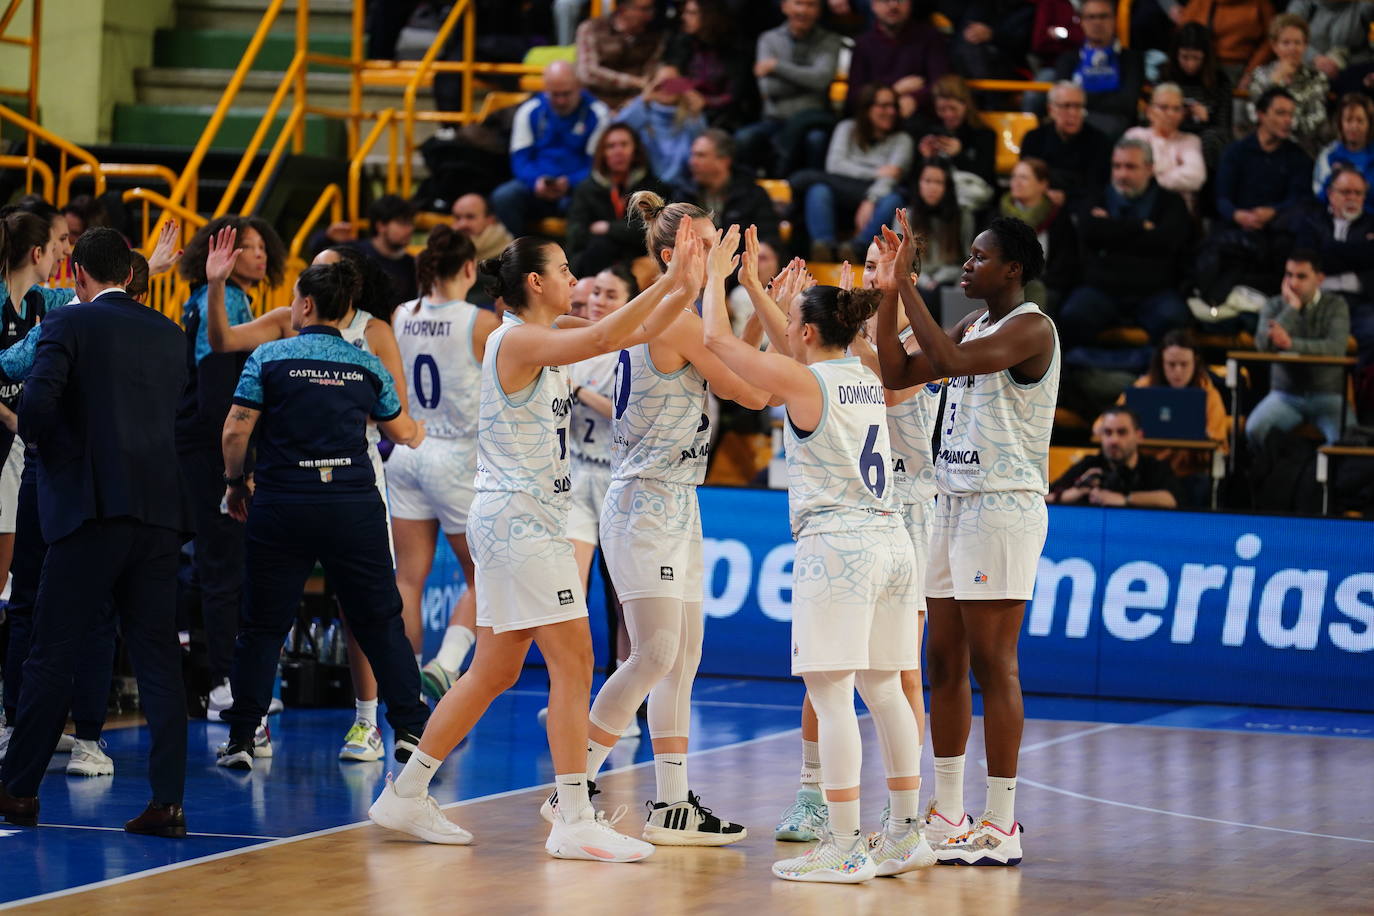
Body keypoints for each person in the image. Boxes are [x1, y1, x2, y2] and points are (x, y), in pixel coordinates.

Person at [369, 229, 702, 861]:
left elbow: (623, 331)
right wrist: (671, 279)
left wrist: (687, 284)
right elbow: (606, 335)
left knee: (495, 669)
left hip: (519, 518)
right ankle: (574, 815)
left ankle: (406, 792)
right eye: (567, 270)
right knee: (575, 659)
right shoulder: (518, 338)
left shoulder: (537, 333)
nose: (577, 281)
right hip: (522, 522)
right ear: (535, 283)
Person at [702, 232, 934, 883]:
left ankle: (844, 842)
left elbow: (721, 347)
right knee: (884, 690)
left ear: (804, 332)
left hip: (839, 548)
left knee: (831, 697)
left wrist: (719, 281)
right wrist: (762, 292)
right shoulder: (866, 372)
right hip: (892, 540)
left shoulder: (807, 380)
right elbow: (798, 356)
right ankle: (906, 834)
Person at [570, 193, 768, 845]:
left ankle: (675, 804)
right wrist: (736, 294)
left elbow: (744, 371)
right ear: (670, 252)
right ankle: (572, 789)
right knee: (654, 652)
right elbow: (748, 390)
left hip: (675, 497)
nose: (719, 252)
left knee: (681, 659)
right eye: (707, 244)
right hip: (645, 499)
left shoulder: (680, 314)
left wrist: (758, 306)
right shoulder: (675, 317)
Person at [875, 211, 1060, 866]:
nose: (968, 265)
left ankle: (1002, 823)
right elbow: (897, 372)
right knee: (943, 663)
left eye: (980, 258)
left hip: (1002, 506)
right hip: (951, 502)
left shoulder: (1031, 326)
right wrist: (888, 292)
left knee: (992, 663)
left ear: (1012, 268)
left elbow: (948, 361)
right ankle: (950, 813)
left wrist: (908, 284)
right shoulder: (974, 323)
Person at [0, 228, 194, 837]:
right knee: (159, 659)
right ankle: (168, 804)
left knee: (51, 650)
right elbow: (183, 417)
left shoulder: (68, 324)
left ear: (77, 274)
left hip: (88, 511)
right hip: (161, 513)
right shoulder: (169, 333)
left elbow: (35, 410)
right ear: (132, 276)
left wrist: (65, 461)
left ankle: (18, 790)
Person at [201, 238, 417, 761]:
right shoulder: (365, 362)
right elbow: (403, 428)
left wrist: (235, 484)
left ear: (304, 305)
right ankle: (411, 730)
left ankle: (242, 737)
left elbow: (235, 430)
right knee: (379, 618)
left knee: (262, 625)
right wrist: (416, 431)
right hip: (352, 502)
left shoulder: (271, 355)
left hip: (283, 500)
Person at [173, 215, 286, 725]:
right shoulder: (224, 302)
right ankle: (223, 682)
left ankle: (221, 678)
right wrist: (234, 468)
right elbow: (217, 389)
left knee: (217, 567)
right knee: (222, 566)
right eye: (250, 247)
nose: (260, 255)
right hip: (210, 448)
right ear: (224, 254)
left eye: (264, 247)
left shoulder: (219, 300)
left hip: (201, 446)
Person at [389, 227, 501, 703]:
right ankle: (448, 663)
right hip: (458, 457)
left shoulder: (399, 314)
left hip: (407, 449)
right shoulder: (478, 322)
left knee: (407, 581)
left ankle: (407, 686)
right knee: (487, 575)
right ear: (471, 269)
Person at [565, 266, 636, 716]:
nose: (598, 302)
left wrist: (580, 393)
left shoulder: (632, 351)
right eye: (595, 293)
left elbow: (627, 415)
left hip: (617, 482)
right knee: (569, 590)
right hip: (574, 479)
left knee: (622, 597)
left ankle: (622, 700)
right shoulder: (573, 346)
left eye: (611, 295)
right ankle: (572, 696)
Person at [1059, 137, 1194, 347]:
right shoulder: (1097, 197)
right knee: (1073, 315)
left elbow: (1165, 242)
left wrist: (1110, 230)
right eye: (1117, 166)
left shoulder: (1171, 203)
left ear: (1149, 169)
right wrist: (1140, 227)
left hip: (1154, 292)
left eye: (1131, 167)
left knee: (1174, 320)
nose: (1122, 174)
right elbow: (1088, 232)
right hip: (1100, 290)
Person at [1204, 87, 1311, 301]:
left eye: (1291, 114)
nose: (1288, 120)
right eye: (1281, 113)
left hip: (1277, 232)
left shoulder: (1297, 157)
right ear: (1261, 115)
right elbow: (1222, 197)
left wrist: (1273, 212)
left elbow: (1299, 198)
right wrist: (1237, 215)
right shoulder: (1236, 152)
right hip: (1237, 226)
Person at [1101, 329, 1229, 506]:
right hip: (1147, 473)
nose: (1178, 371)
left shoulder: (1208, 394)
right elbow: (1102, 424)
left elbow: (1219, 445)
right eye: (1171, 364)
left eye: (1184, 364)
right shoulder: (1143, 388)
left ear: (1195, 362)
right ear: (1161, 363)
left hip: (1187, 474)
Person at [795, 83, 913, 263]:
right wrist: (876, 172)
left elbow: (891, 178)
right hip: (842, 190)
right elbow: (835, 166)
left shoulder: (902, 140)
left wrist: (871, 199)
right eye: (883, 106)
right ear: (867, 109)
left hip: (878, 195)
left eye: (894, 106)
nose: (891, 112)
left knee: (893, 200)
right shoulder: (847, 128)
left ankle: (858, 249)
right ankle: (823, 247)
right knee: (818, 190)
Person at [492, 61, 611, 238]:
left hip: (576, 188)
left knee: (587, 198)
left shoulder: (598, 113)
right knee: (503, 197)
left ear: (579, 86)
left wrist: (569, 182)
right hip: (536, 186)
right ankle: (517, 258)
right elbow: (520, 159)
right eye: (555, 95)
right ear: (546, 89)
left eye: (566, 94)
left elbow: (596, 164)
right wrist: (536, 181)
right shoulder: (529, 110)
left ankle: (574, 261)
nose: (561, 100)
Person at [1246, 251, 1352, 449]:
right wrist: (1292, 309)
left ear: (1319, 279)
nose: (1293, 283)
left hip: (1327, 395)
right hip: (1285, 395)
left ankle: (1322, 479)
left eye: (1301, 276)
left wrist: (1290, 345)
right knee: (1254, 430)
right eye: (1289, 275)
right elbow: (1263, 346)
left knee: (1348, 443)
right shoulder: (1275, 304)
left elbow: (1335, 349)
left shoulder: (1335, 305)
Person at [735, 0, 844, 177]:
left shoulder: (830, 40)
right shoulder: (768, 39)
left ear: (819, 11)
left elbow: (820, 80)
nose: (804, 11)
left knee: (816, 140)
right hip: (774, 120)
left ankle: (807, 192)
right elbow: (769, 88)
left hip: (811, 121)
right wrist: (807, 81)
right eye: (798, 3)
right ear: (784, 6)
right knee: (744, 138)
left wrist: (777, 66)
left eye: (811, 5)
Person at [566, 123, 672, 277]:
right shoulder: (586, 189)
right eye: (611, 146)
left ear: (635, 150)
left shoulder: (654, 187)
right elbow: (576, 234)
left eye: (624, 145)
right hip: (598, 258)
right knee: (599, 247)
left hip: (639, 258)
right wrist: (622, 234)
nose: (618, 151)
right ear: (603, 153)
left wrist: (609, 228)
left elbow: (654, 231)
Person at [1296, 165, 1374, 366]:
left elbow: (1325, 257)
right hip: (1317, 300)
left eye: (1358, 193)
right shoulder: (1311, 222)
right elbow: (1308, 260)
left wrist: (1330, 251)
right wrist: (1361, 252)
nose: (1352, 198)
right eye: (1346, 192)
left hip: (1360, 302)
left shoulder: (1371, 224)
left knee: (1371, 333)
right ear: (1330, 194)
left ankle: (1360, 392)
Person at [1047, 406, 1182, 507]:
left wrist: (1124, 499)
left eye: (1122, 432)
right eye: (1108, 432)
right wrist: (1076, 492)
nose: (1114, 440)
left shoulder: (1153, 466)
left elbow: (1170, 499)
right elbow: (1044, 498)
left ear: (1139, 436)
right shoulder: (1090, 465)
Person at [1053, 0, 1145, 139]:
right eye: (1091, 17)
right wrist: (1106, 99)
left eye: (1103, 16)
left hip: (1114, 126)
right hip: (1073, 123)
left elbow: (1127, 103)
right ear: (1082, 22)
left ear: (1114, 20)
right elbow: (1061, 101)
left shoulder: (1132, 60)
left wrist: (1079, 101)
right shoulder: (1067, 60)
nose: (1097, 22)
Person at [845, 0, 949, 120]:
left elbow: (942, 83)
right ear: (873, 5)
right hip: (873, 122)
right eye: (886, 0)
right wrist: (894, 92)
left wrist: (914, 99)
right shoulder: (862, 44)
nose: (894, 5)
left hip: (920, 118)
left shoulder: (930, 37)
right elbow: (854, 97)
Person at [1246, 14, 1331, 156]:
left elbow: (1315, 122)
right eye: (1286, 43)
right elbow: (1253, 115)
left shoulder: (1316, 77)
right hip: (1265, 147)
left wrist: (1276, 122)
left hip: (1301, 148)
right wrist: (1274, 82)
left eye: (1298, 43)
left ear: (1305, 46)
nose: (1292, 48)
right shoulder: (1261, 75)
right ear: (1275, 46)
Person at [661, 0, 754, 129]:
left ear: (709, 16)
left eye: (691, 13)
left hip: (721, 116)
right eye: (685, 12)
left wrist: (705, 102)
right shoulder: (683, 43)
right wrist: (688, 92)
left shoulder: (735, 50)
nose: (683, 17)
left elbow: (735, 95)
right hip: (684, 108)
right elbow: (668, 79)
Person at [1019, 82, 1112, 208]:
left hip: (1081, 206)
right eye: (1066, 106)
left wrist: (1066, 197)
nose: (1073, 113)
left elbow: (1098, 187)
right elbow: (1026, 179)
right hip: (1039, 203)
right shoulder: (1033, 138)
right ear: (1051, 110)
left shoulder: (1100, 141)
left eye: (1078, 106)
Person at [673, 130, 782, 238]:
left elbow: (769, 238)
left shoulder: (753, 194)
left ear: (724, 161)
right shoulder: (684, 194)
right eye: (692, 155)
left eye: (701, 155)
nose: (692, 162)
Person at [618, 65, 709, 189]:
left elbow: (700, 150)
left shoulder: (690, 117)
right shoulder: (641, 112)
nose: (666, 89)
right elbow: (616, 130)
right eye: (660, 84)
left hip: (685, 189)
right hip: (645, 188)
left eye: (673, 84)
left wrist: (695, 114)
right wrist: (643, 99)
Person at [912, 74, 997, 205]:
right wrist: (927, 158)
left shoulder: (984, 134)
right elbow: (916, 178)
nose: (948, 115)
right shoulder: (930, 132)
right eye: (942, 109)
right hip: (936, 191)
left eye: (953, 108)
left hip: (970, 192)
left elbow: (985, 177)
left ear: (966, 105)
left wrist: (959, 155)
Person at [1161, 23, 1234, 172]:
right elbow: (1155, 116)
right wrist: (1176, 114)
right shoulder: (1166, 75)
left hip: (1206, 135)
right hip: (1174, 132)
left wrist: (1208, 118)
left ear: (1205, 57)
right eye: (1185, 57)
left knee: (1212, 139)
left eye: (1196, 58)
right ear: (1176, 55)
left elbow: (1225, 127)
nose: (1190, 64)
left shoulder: (1219, 79)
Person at [1125, 83, 1208, 211]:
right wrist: (1174, 171)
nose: (1171, 114)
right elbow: (1128, 175)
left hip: (1176, 212)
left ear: (1182, 114)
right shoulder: (1135, 135)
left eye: (1176, 109)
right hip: (1136, 207)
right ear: (1149, 111)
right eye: (1164, 107)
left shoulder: (1190, 141)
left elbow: (1196, 177)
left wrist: (1151, 178)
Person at [1000, 157, 1067, 308]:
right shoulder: (997, 215)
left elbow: (1064, 263)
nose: (1016, 182)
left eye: (1023, 177)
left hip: (1047, 284)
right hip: (1004, 284)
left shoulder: (1057, 217)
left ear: (1042, 184)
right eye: (1014, 177)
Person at [574, 0, 665, 111]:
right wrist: (633, 81)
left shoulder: (654, 35)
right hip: (594, 104)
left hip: (635, 104)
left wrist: (634, 101)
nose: (650, 16)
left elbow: (650, 77)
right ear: (624, 9)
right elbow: (587, 73)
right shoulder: (592, 28)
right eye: (644, 9)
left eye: (651, 9)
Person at [908, 159, 975, 296]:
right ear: (919, 183)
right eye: (927, 181)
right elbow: (900, 261)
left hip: (949, 281)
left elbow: (967, 259)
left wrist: (939, 279)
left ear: (948, 187)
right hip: (916, 280)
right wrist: (924, 280)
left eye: (938, 182)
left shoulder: (963, 216)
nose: (932, 187)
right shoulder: (906, 216)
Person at [1180, 0, 1276, 85]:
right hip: (1201, 66)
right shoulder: (1199, 3)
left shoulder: (1260, 4)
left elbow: (1271, 38)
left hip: (1242, 69)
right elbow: (1183, 34)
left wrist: (1251, 72)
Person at [1314, 94, 1374, 211]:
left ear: (1369, 124)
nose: (1354, 126)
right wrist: (1332, 179)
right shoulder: (1328, 155)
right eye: (1348, 120)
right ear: (1341, 124)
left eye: (1360, 121)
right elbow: (1319, 198)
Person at [450, 192, 513, 263]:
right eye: (457, 218)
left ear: (490, 220)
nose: (462, 224)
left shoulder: (510, 258)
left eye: (470, 217)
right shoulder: (446, 252)